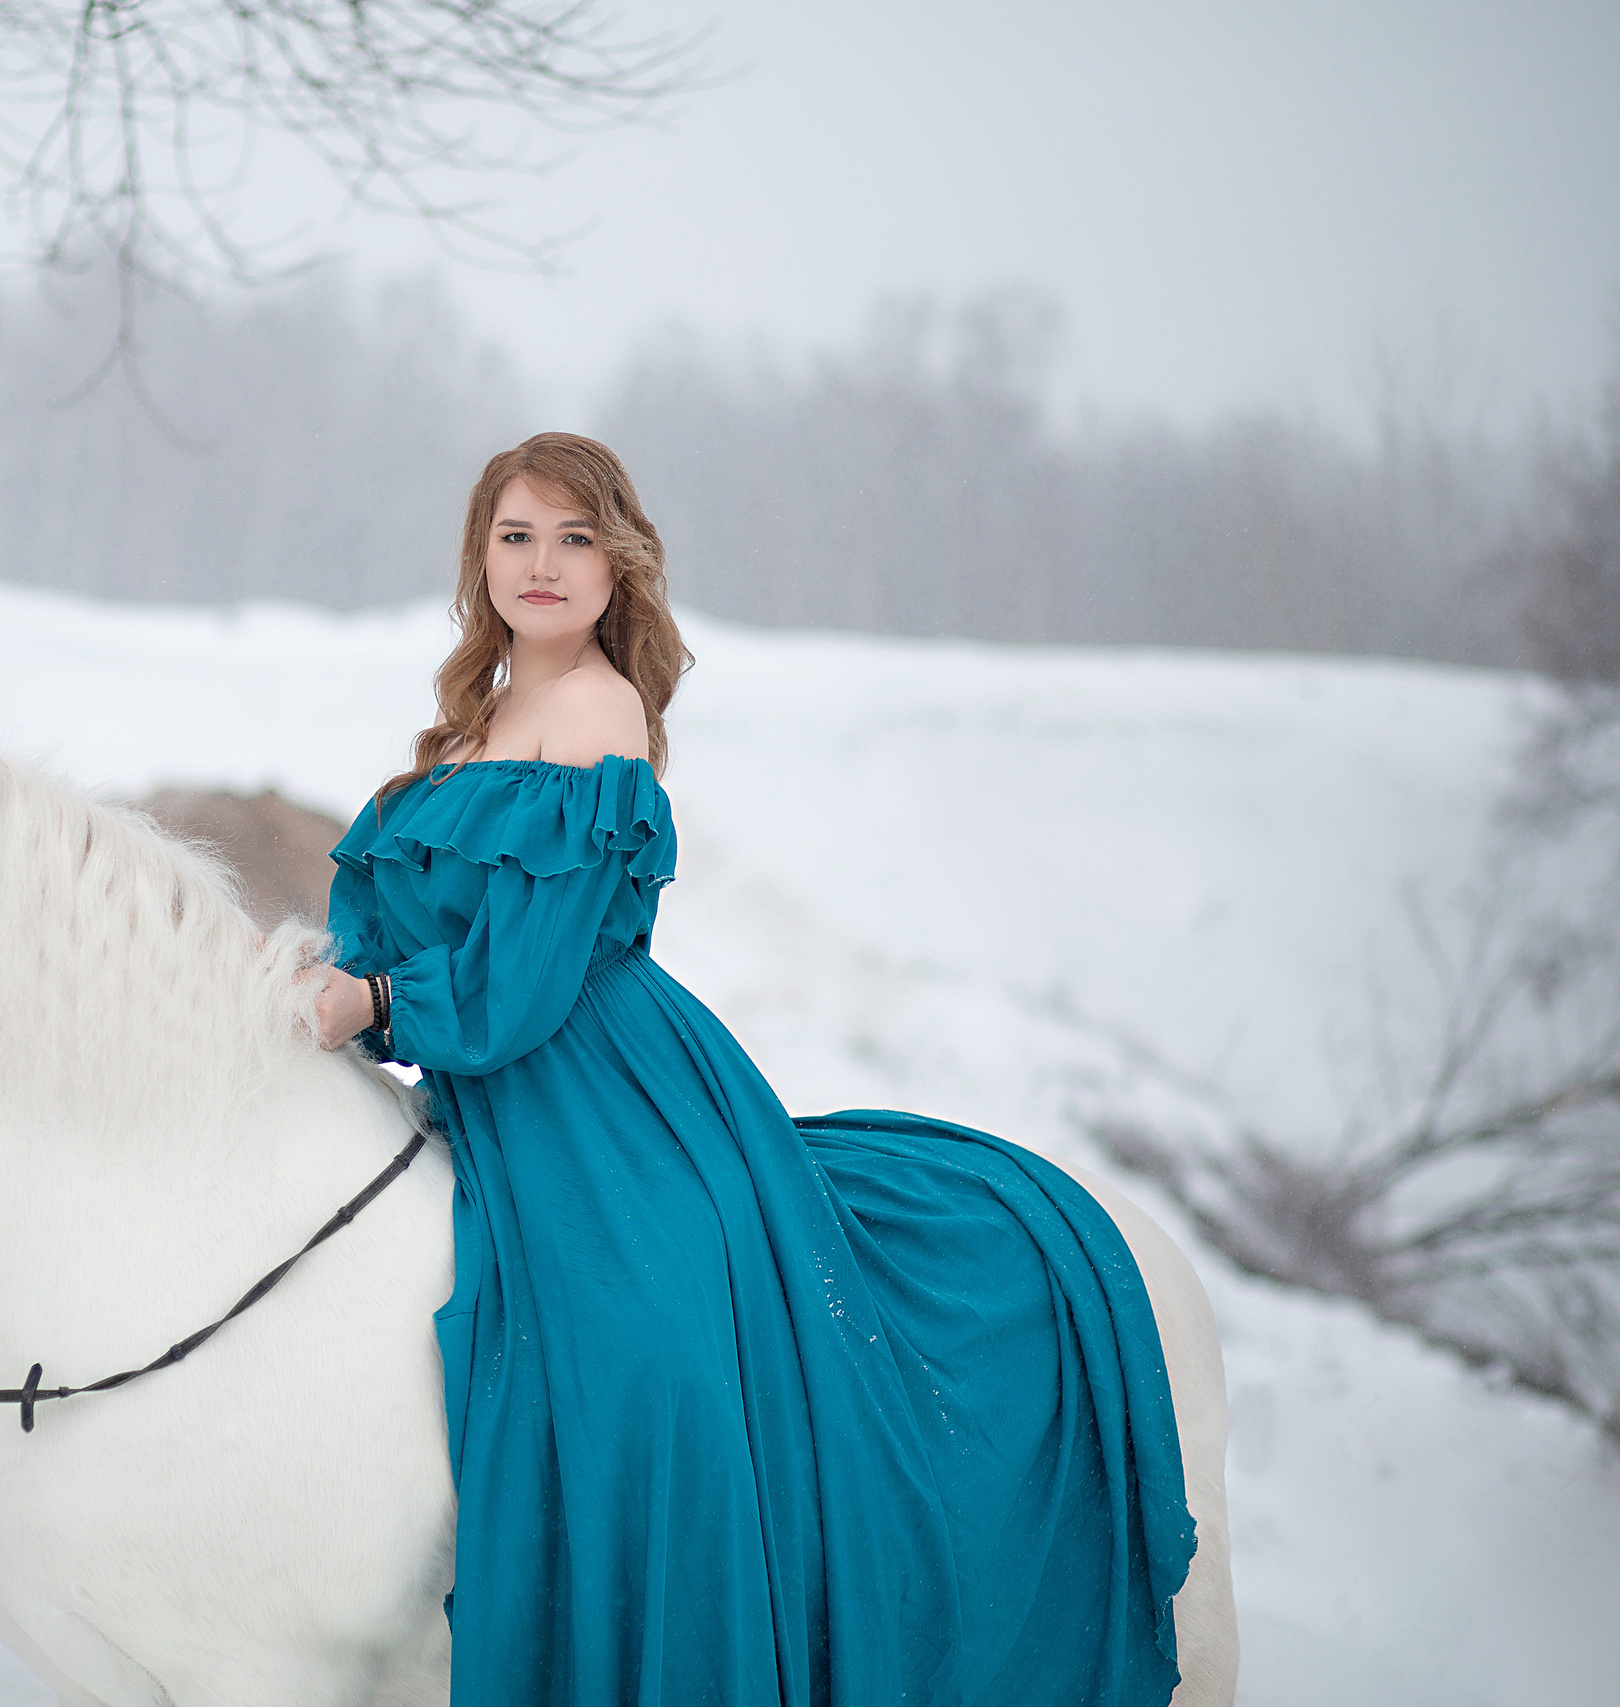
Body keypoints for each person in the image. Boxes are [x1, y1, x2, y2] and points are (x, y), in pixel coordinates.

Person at [308, 433, 1198, 1706]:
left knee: (650, 1358)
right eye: (515, 536)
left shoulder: (596, 709)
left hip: (607, 1086)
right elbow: (410, 922)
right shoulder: (475, 721)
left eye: (572, 538)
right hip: (500, 1091)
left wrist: (379, 1001)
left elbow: (526, 976)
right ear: (480, 557)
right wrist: (332, 977)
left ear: (616, 565)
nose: (542, 564)